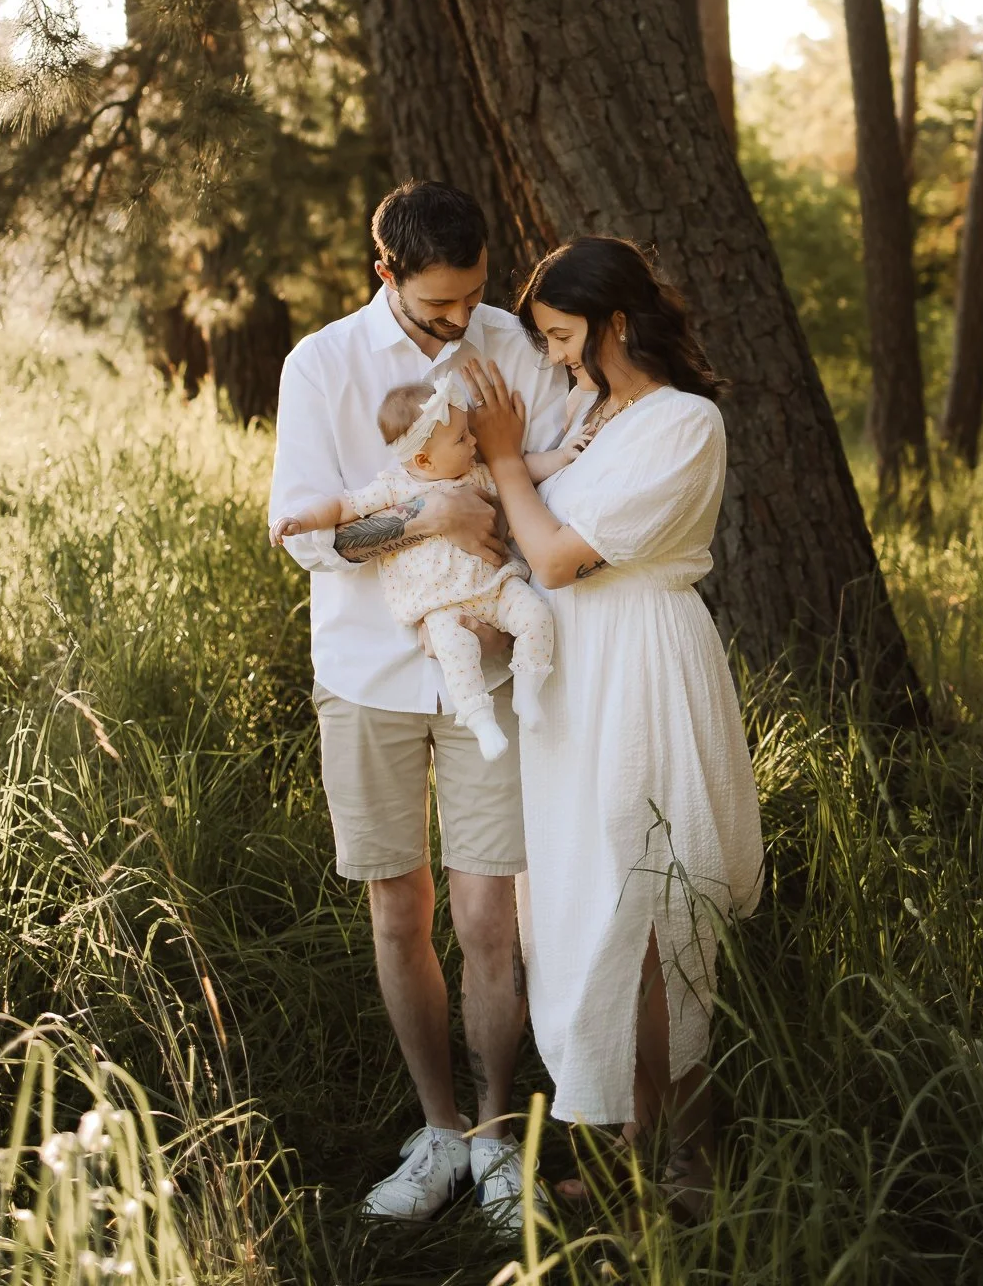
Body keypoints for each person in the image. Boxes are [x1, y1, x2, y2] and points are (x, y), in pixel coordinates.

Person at [268, 180, 567, 1228]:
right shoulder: (322, 364)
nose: (459, 322)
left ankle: (493, 1137)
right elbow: (303, 536)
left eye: (473, 296)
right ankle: (436, 1125)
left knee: (490, 914)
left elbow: (558, 476)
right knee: (400, 908)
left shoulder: (508, 342)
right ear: (383, 269)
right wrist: (418, 511)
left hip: (485, 670)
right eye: (438, 305)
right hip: (365, 671)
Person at [464, 235, 765, 1210]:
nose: (552, 356)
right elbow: (520, 530)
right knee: (593, 909)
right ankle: (637, 1147)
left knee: (658, 912)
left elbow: (556, 555)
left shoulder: (684, 424)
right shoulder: (587, 413)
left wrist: (508, 459)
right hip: (569, 682)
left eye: (562, 335)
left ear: (615, 323)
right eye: (544, 338)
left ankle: (693, 1163)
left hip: (640, 668)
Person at [272, 369, 560, 760]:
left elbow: (524, 467)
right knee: (454, 648)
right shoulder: (393, 488)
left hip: (496, 586)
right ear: (423, 457)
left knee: (536, 615)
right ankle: (479, 717)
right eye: (462, 438)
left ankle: (528, 691)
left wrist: (565, 454)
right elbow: (342, 506)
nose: (474, 441)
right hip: (442, 605)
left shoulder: (477, 473)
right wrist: (301, 520)